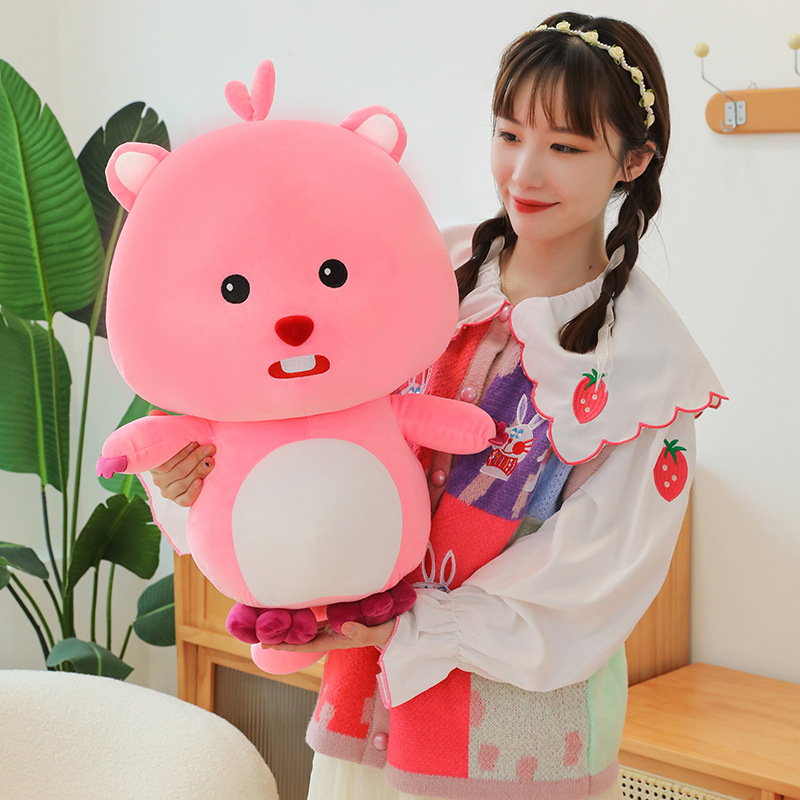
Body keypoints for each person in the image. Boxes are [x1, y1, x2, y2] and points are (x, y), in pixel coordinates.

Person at [150, 12, 724, 800]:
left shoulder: (649, 368)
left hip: (517, 734)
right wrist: (203, 475)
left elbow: (598, 578)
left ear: (634, 160)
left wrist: (412, 623)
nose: (525, 171)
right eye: (508, 134)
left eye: (565, 147)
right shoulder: (416, 265)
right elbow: (305, 418)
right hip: (367, 700)